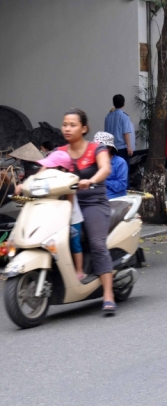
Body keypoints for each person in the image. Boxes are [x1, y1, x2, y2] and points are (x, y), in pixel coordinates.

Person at [57, 110, 116, 313]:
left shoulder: (96, 148)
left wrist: (91, 180)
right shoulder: (60, 152)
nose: (67, 128)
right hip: (66, 204)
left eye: (72, 124)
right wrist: (23, 185)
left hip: (93, 202)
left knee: (97, 244)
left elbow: (105, 168)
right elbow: (44, 169)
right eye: (65, 124)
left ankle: (108, 294)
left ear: (84, 128)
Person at [36, 150, 86, 280]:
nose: (47, 169)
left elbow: (69, 203)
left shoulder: (68, 181)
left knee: (74, 244)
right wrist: (45, 167)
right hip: (55, 217)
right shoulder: (49, 179)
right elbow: (36, 178)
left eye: (51, 166)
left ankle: (79, 270)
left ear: (61, 169)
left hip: (71, 218)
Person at [93, 132, 128, 199]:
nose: (96, 150)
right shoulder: (94, 162)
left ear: (109, 148)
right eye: (95, 147)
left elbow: (121, 185)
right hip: (97, 199)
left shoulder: (120, 162)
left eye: (100, 147)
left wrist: (101, 180)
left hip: (115, 200)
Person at [103, 94, 135, 163]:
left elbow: (106, 133)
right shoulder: (124, 116)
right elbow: (126, 132)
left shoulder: (108, 117)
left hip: (110, 148)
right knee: (123, 168)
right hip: (121, 148)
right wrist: (129, 146)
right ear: (124, 103)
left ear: (113, 103)